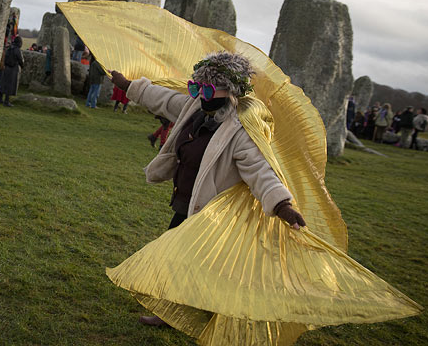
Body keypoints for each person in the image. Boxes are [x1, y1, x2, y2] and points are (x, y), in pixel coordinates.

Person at [110, 51, 305, 326]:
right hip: (186, 199)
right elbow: (163, 99)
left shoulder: (240, 131)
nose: (201, 94)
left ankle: (187, 312)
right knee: (182, 257)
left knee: (193, 260)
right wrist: (129, 86)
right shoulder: (196, 107)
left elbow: (260, 170)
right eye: (196, 86)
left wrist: (282, 204)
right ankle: (181, 310)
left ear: (231, 90)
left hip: (212, 212)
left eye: (209, 88)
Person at [0, 35, 24, 107]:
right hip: (13, 68)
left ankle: (0, 99)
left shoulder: (9, 48)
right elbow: (20, 59)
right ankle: (6, 101)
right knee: (10, 85)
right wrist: (22, 66)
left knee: (3, 83)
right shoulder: (17, 49)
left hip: (6, 67)